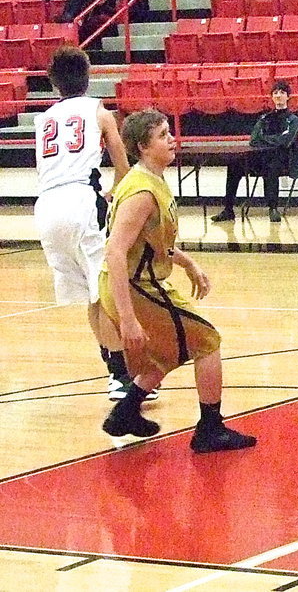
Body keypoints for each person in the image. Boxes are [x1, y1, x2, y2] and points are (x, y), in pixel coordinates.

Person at [99, 109, 257, 453]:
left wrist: (188, 264)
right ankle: (210, 429)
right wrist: (127, 319)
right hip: (135, 286)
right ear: (142, 146)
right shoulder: (141, 190)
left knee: (170, 353)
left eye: (169, 132)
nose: (172, 139)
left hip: (143, 282)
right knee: (208, 341)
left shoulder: (151, 180)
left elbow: (157, 243)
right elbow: (115, 252)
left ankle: (124, 413)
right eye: (162, 135)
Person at [34, 47, 134, 400]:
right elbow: (123, 167)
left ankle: (115, 370)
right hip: (81, 201)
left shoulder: (42, 119)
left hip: (45, 207)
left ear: (52, 83)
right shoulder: (98, 111)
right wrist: (110, 196)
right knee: (103, 290)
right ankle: (121, 377)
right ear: (88, 76)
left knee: (90, 296)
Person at [210, 81, 298, 224]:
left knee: (271, 167)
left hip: (285, 160)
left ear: (288, 97)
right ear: (272, 97)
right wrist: (273, 140)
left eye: (282, 93)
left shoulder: (293, 120)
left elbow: (285, 142)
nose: (278, 96)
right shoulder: (265, 118)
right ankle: (228, 209)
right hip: (262, 158)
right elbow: (254, 140)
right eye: (275, 93)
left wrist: (266, 139)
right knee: (234, 165)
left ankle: (273, 208)